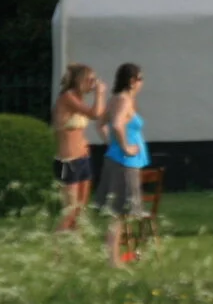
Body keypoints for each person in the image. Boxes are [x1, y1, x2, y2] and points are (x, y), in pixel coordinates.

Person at [98, 63, 151, 267]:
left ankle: (114, 257)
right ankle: (112, 260)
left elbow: (101, 124)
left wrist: (111, 143)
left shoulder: (117, 100)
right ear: (131, 81)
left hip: (121, 160)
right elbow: (118, 124)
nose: (142, 83)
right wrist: (125, 147)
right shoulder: (123, 101)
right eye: (140, 78)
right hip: (124, 162)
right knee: (119, 214)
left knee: (120, 213)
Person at [52, 63, 106, 233]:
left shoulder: (78, 98)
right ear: (80, 80)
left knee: (81, 210)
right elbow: (95, 114)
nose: (93, 82)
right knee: (70, 211)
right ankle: (57, 253)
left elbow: (97, 113)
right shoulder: (68, 97)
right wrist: (100, 93)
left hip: (83, 158)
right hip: (67, 161)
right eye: (90, 79)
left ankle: (76, 247)